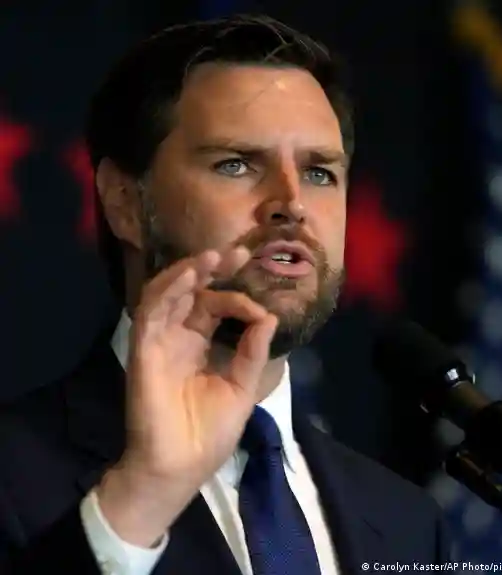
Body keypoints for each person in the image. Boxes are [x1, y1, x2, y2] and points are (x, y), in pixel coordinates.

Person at [0, 14, 450, 575]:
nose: (292, 203)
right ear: (125, 203)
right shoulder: (13, 471)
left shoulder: (409, 523)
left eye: (319, 173)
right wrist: (142, 495)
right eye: (235, 164)